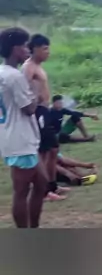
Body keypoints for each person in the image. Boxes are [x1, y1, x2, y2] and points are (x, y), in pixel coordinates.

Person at [0, 27, 47, 228]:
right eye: (25, 46)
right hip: (19, 140)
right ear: (15, 48)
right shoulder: (14, 76)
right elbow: (28, 109)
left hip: (17, 137)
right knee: (21, 191)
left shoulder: (3, 73)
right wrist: (35, 91)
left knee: (42, 183)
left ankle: (33, 228)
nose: (28, 50)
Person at [22, 34, 67, 201]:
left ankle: (52, 185)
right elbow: (23, 90)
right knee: (42, 152)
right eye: (44, 49)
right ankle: (42, 191)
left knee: (53, 150)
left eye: (48, 48)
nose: (48, 52)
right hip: (37, 112)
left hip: (45, 111)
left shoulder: (38, 66)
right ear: (34, 49)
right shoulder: (28, 67)